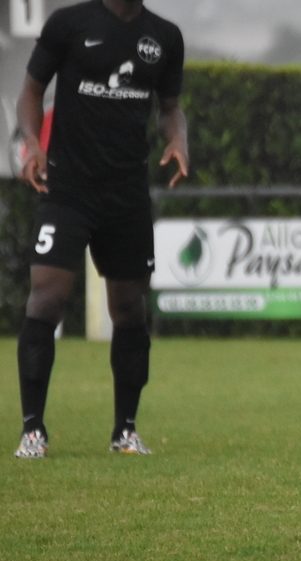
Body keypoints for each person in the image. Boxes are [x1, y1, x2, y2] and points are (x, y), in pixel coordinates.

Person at [13, 0, 188, 459]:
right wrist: (31, 144)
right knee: (46, 298)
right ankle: (32, 430)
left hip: (127, 195)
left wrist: (178, 139)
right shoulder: (70, 23)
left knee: (129, 309)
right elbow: (31, 92)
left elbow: (170, 107)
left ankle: (125, 431)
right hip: (68, 189)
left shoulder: (164, 36)